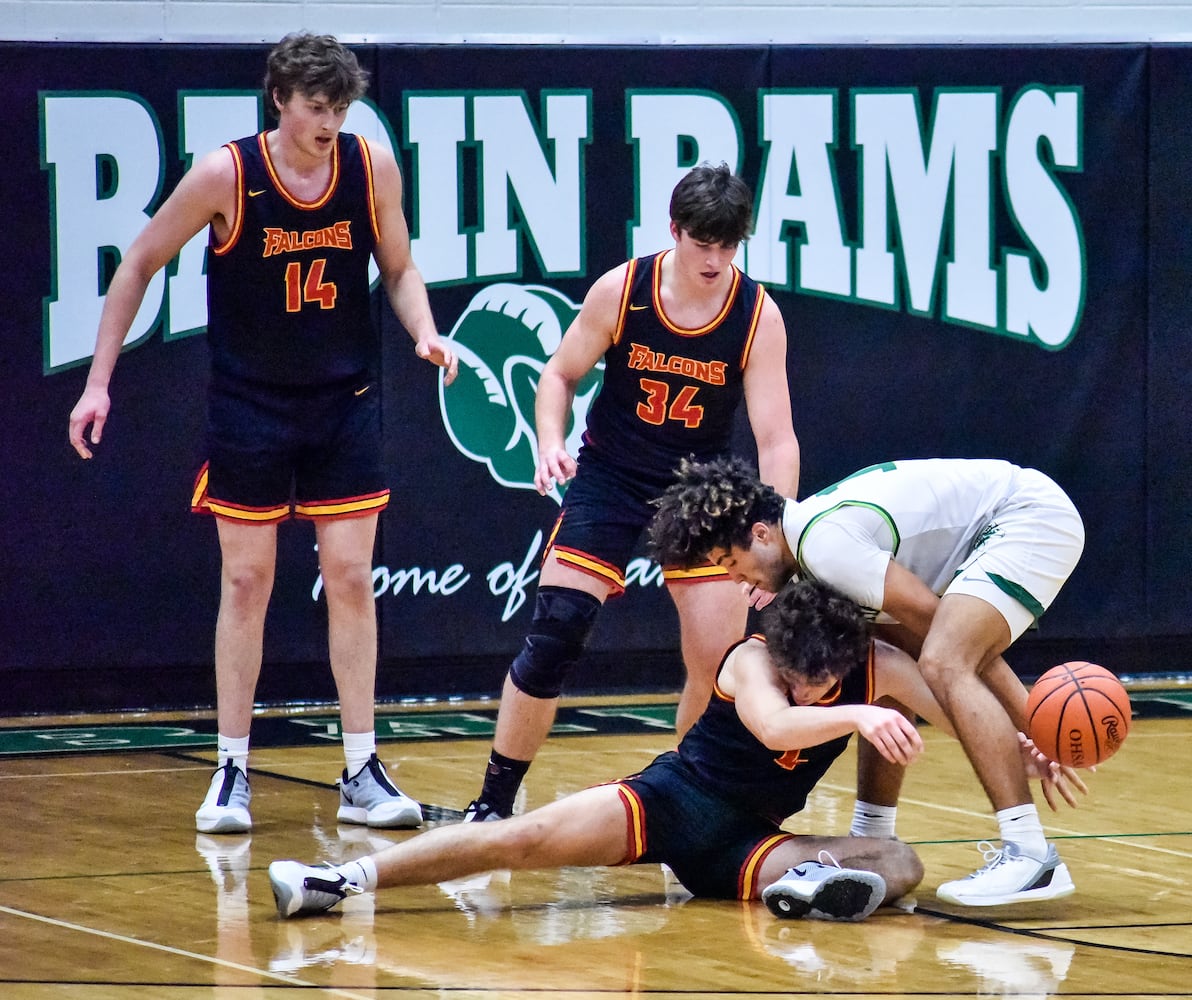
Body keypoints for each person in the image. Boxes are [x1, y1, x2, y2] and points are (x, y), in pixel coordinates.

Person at [67, 33, 459, 834]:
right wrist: (98, 380)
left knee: (351, 578)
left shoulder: (368, 165)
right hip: (251, 403)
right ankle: (232, 769)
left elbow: (399, 266)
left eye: (341, 107)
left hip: (343, 399)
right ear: (279, 99)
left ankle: (360, 767)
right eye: (317, 107)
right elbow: (138, 261)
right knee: (246, 583)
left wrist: (424, 330)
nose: (329, 121)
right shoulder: (226, 174)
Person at [269, 579, 934, 921]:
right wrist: (861, 714)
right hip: (672, 800)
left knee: (902, 863)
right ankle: (340, 881)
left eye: (817, 681)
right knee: (517, 839)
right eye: (794, 674)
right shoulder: (751, 659)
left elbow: (961, 709)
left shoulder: (879, 667)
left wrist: (1030, 747)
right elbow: (778, 729)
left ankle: (809, 887)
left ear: (847, 658)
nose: (802, 686)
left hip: (747, 845)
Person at [461, 162, 800, 822]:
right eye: (704, 243)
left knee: (715, 662)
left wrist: (776, 538)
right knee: (556, 631)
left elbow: (777, 439)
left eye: (728, 246)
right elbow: (558, 374)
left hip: (700, 493)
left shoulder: (757, 314)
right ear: (675, 231)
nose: (715, 259)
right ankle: (494, 802)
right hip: (613, 475)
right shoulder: (624, 289)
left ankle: (692, 810)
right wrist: (549, 440)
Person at [649, 455, 1088, 906]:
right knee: (885, 665)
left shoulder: (825, 547)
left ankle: (1030, 853)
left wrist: (1035, 728)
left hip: (1027, 517)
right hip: (998, 522)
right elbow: (902, 646)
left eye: (731, 561)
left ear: (761, 534)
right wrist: (1014, 741)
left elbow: (944, 636)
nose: (735, 578)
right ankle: (872, 834)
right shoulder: (811, 550)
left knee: (944, 657)